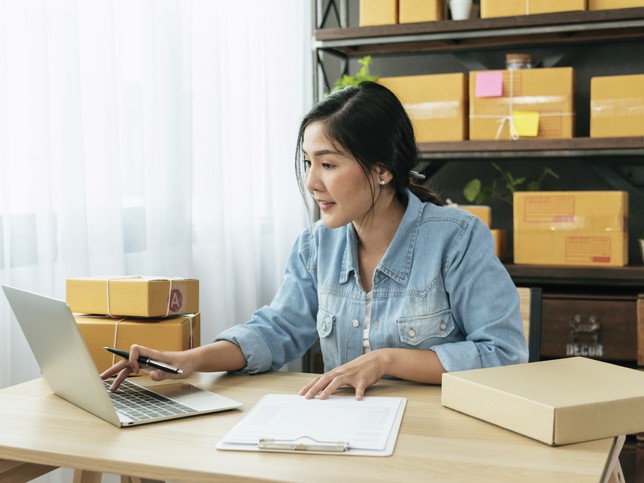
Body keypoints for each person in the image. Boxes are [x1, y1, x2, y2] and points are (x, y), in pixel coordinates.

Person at [101, 81, 528, 400]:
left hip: (440, 442)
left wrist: (387, 360)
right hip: (348, 433)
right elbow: (276, 331)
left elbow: (504, 355)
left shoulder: (456, 238)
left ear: (382, 170)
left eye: (328, 164)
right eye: (308, 162)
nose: (310, 182)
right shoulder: (315, 247)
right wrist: (187, 360)